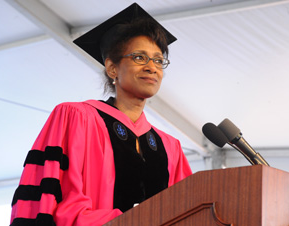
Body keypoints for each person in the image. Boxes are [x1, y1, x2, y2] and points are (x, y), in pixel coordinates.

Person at [10, 3, 192, 226]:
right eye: (139, 57)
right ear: (112, 68)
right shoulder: (75, 118)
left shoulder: (170, 147)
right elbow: (53, 204)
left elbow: (189, 212)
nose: (151, 67)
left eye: (158, 60)